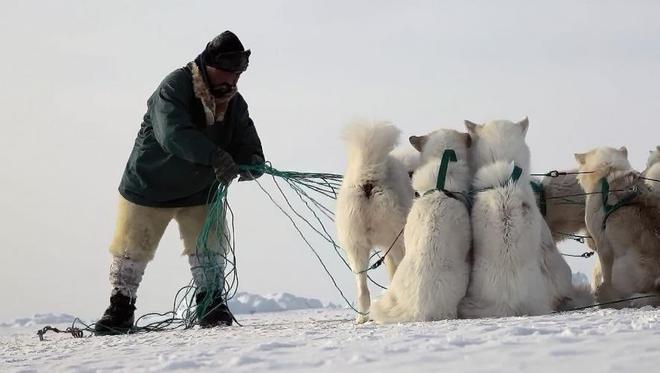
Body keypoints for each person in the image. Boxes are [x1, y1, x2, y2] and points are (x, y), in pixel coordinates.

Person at [94, 31, 264, 334]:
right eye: (227, 73)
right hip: (149, 186)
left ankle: (211, 303)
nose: (232, 81)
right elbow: (173, 134)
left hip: (201, 191)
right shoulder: (175, 87)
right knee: (131, 252)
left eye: (237, 75)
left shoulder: (234, 102)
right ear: (208, 65)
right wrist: (215, 156)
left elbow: (245, 137)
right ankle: (121, 307)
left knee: (210, 248)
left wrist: (252, 161)